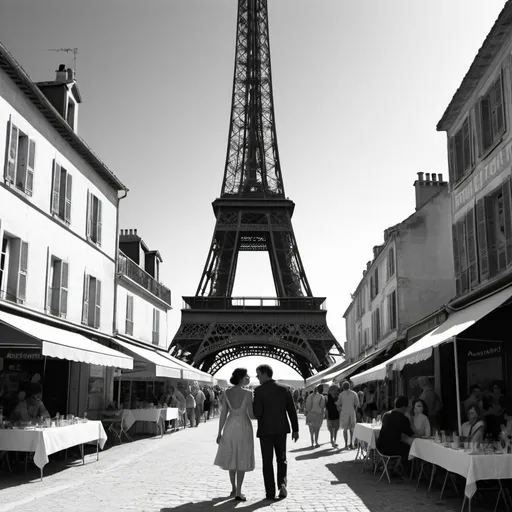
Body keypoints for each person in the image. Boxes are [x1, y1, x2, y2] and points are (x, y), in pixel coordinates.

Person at [253, 364, 299, 501]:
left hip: (265, 431)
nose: (257, 378)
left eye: (258, 375)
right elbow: (292, 410)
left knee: (267, 462)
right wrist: (295, 429)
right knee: (282, 459)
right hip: (281, 430)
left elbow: (257, 413)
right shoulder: (285, 389)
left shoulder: (259, 390)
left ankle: (270, 492)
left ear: (265, 374)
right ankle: (282, 484)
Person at [214, 368, 255, 502]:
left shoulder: (227, 392)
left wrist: (219, 432)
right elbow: (252, 415)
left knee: (232, 456)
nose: (249, 377)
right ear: (242, 378)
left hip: (230, 426)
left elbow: (223, 414)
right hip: (244, 426)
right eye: (247, 376)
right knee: (241, 456)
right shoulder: (249, 393)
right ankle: (239, 492)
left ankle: (233, 488)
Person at [376, 395, 414, 471]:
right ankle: (403, 470)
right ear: (404, 407)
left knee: (400, 444)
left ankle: (392, 465)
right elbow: (411, 434)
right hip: (391, 449)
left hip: (380, 446)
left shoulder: (386, 414)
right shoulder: (403, 418)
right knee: (408, 448)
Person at [336, 380, 359, 450]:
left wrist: (340, 409)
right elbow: (357, 404)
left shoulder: (341, 394)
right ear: (349, 386)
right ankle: (351, 444)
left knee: (345, 429)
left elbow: (338, 404)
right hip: (352, 412)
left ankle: (346, 444)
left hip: (344, 413)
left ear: (343, 387)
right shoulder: (354, 393)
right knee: (352, 429)